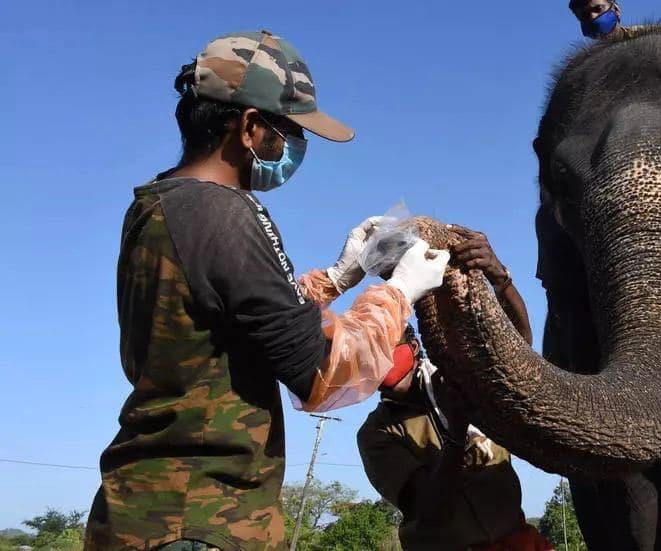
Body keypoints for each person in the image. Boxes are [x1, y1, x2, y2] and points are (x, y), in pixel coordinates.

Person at [84, 30, 449, 551]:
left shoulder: (161, 207)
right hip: (202, 518)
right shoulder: (224, 212)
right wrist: (400, 292)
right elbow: (323, 372)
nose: (294, 148)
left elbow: (247, 317)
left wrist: (339, 277)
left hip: (147, 509)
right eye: (289, 132)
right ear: (250, 127)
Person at [357, 226, 550, 551]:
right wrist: (456, 434)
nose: (381, 359)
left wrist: (501, 279)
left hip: (517, 540)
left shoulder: (458, 378)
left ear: (414, 346)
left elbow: (518, 351)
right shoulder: (377, 434)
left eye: (389, 344)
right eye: (368, 354)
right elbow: (430, 510)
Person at [569, 0, 646, 40]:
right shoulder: (585, 62)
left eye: (598, 9)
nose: (593, 17)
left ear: (616, 9)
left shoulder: (647, 35)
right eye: (585, 15)